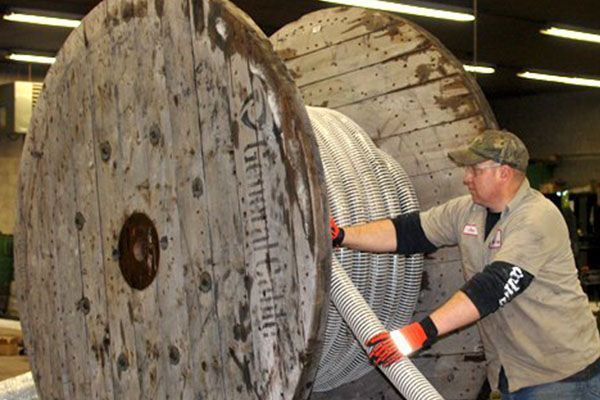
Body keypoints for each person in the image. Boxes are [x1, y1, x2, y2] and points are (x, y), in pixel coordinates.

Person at [330, 129, 600, 399]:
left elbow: (494, 286)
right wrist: (342, 236)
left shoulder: (536, 218)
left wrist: (420, 332)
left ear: (503, 173)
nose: (466, 178)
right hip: (512, 373)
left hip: (562, 376)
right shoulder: (468, 211)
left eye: (475, 170)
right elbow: (409, 232)